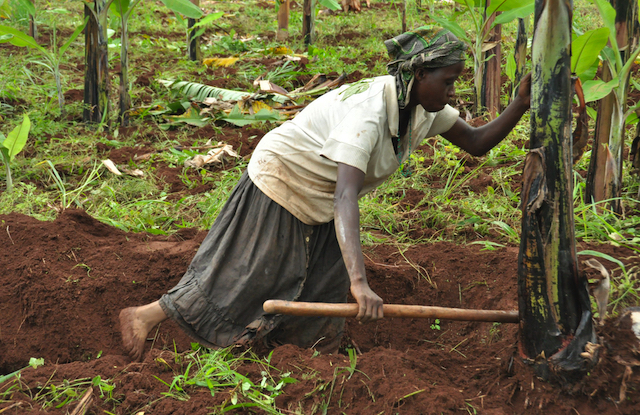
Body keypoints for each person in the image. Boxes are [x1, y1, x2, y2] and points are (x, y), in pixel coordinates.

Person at [120, 27, 531, 361]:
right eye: (449, 81)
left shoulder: (425, 108)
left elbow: (477, 143)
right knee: (249, 274)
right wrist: (361, 282)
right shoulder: (369, 113)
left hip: (325, 192)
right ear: (420, 74)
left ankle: (306, 360)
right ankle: (145, 316)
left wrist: (521, 103)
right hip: (286, 176)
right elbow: (345, 197)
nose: (453, 91)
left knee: (324, 284)